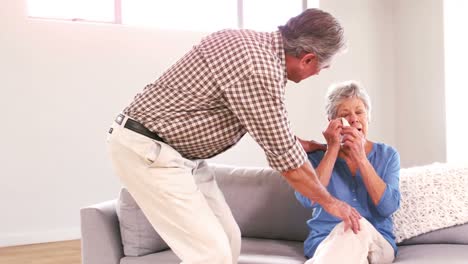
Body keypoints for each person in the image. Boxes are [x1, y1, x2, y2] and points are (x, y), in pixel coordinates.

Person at [107, 8, 361, 264]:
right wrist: (331, 203)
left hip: (180, 155)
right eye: (323, 66)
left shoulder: (249, 44)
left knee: (229, 240)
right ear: (307, 59)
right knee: (211, 255)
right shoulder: (259, 69)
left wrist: (305, 145)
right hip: (149, 149)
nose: (319, 73)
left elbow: (267, 127)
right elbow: (289, 163)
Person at [295, 81, 401, 264]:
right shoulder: (317, 157)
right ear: (332, 122)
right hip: (325, 242)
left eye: (359, 112)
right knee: (348, 235)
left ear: (368, 116)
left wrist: (361, 158)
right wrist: (332, 149)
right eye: (345, 114)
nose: (353, 119)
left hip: (377, 243)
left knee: (356, 227)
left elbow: (389, 206)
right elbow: (308, 199)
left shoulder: (388, 155)